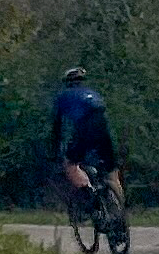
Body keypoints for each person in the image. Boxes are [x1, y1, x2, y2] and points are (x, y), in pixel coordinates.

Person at [49, 66, 123, 215]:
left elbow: (57, 128)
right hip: (104, 129)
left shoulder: (64, 96)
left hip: (85, 128)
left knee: (70, 165)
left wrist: (54, 149)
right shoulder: (94, 94)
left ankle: (90, 196)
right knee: (111, 170)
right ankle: (120, 213)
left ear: (67, 82)